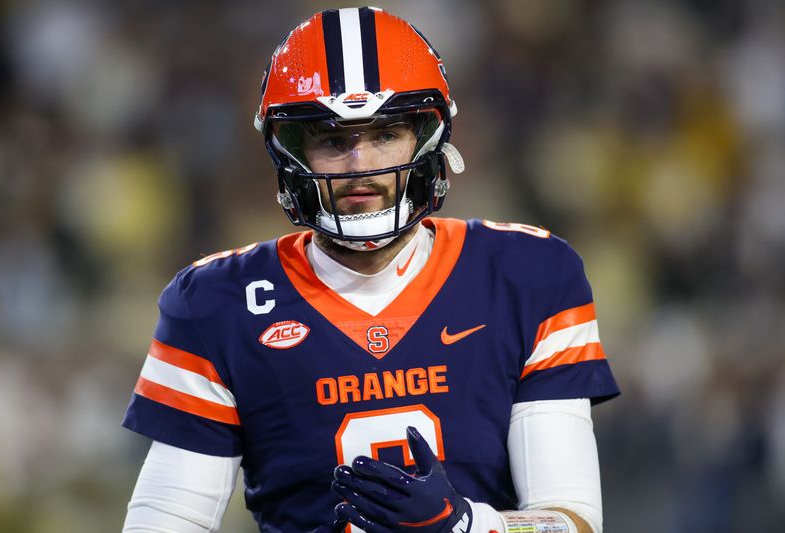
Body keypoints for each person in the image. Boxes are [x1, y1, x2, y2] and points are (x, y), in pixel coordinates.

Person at [122, 7, 620, 533]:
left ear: (429, 139)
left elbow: (571, 522)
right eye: (334, 141)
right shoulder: (217, 303)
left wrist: (465, 526)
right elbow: (167, 522)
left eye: (385, 135)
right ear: (292, 152)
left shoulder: (527, 275)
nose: (361, 166)